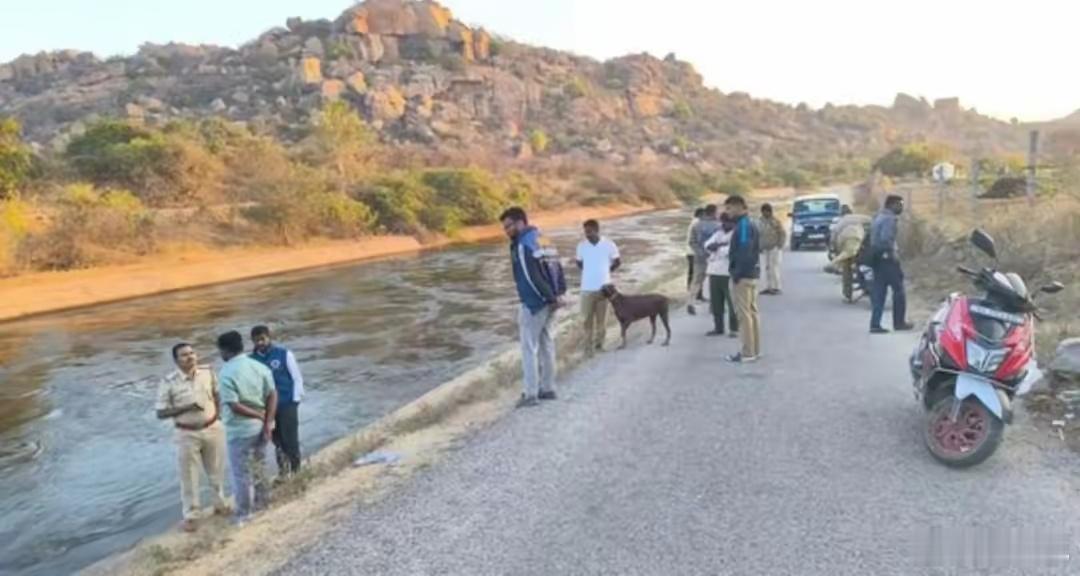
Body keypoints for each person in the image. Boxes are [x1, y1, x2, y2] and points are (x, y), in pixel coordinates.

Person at [155, 343, 230, 532]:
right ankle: (192, 516)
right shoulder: (168, 381)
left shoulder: (207, 372)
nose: (190, 357)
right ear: (176, 360)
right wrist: (186, 408)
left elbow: (217, 394)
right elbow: (161, 413)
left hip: (212, 427)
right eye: (184, 355)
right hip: (186, 433)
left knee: (217, 469)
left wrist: (218, 416)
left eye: (192, 353)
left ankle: (220, 504)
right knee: (189, 475)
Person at [500, 207, 561, 408]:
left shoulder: (522, 245)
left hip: (534, 304)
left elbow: (530, 277)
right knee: (546, 344)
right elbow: (556, 268)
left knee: (529, 349)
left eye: (508, 226)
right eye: (504, 228)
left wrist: (547, 298)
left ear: (520, 223)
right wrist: (557, 296)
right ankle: (548, 388)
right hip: (551, 301)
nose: (506, 231)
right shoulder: (544, 238)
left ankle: (530, 394)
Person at [216, 330, 277, 523]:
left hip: (240, 429)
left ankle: (244, 513)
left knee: (240, 472)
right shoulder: (258, 366)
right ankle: (264, 502)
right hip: (261, 426)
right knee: (259, 465)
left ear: (225, 351)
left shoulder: (226, 372)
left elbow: (234, 405)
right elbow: (272, 394)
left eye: (220, 351)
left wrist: (257, 414)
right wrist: (267, 421)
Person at [250, 326, 304, 476]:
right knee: (277, 441)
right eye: (256, 340)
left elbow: (296, 377)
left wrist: (296, 399)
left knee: (290, 439)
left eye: (262, 339)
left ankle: (296, 471)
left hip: (286, 403)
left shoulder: (284, 354)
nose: (260, 342)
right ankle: (283, 472)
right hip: (266, 409)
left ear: (269, 337)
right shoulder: (251, 361)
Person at [869, 195, 915, 334]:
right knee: (899, 291)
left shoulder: (878, 217)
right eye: (899, 204)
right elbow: (886, 239)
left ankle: (875, 324)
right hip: (888, 260)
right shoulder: (890, 219)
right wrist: (892, 254)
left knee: (879, 293)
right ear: (892, 204)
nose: (901, 207)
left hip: (877, 259)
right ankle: (899, 322)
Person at [576, 219, 621, 355]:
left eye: (589, 232)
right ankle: (587, 349)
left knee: (602, 321)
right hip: (586, 290)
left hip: (604, 289)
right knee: (586, 321)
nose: (587, 234)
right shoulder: (581, 246)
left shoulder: (609, 244)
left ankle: (599, 346)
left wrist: (607, 272)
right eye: (585, 232)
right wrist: (590, 271)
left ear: (597, 230)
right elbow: (579, 263)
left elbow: (618, 261)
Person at [725, 195, 762, 363]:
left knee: (744, 315)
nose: (728, 212)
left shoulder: (744, 225)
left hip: (744, 276)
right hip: (751, 274)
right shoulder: (749, 223)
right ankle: (755, 350)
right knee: (752, 313)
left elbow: (745, 251)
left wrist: (737, 273)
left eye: (729, 208)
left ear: (739, 207)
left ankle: (747, 352)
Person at [704, 213, 738, 338]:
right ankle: (718, 328)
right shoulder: (718, 233)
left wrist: (717, 247)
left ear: (733, 223)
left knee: (732, 303)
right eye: (723, 222)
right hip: (714, 272)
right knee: (716, 302)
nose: (724, 224)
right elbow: (707, 245)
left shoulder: (736, 234)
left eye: (727, 222)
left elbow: (731, 251)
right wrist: (719, 246)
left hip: (728, 273)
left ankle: (734, 329)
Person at [830, 205, 872, 302]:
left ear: (841, 214)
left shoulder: (840, 222)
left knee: (847, 270)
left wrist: (836, 253)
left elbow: (833, 239)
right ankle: (867, 286)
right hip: (864, 246)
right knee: (867, 265)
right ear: (851, 212)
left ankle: (848, 294)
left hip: (847, 247)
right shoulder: (862, 217)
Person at [687, 204, 720, 315]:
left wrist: (700, 252)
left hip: (699, 257)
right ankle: (713, 305)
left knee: (696, 280)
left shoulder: (696, 225)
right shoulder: (718, 225)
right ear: (713, 212)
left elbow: (691, 241)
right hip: (714, 257)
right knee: (713, 281)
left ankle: (690, 302)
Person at [758, 203, 787, 295]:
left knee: (773, 268)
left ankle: (776, 287)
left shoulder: (775, 221)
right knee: (765, 268)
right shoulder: (759, 221)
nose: (765, 214)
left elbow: (782, 233)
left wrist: (780, 245)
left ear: (770, 212)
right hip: (763, 248)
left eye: (766, 212)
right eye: (763, 212)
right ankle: (767, 287)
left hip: (774, 247)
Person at [685, 208, 706, 302]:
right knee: (697, 274)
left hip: (690, 252)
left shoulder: (694, 222)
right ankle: (697, 295)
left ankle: (692, 293)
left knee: (692, 273)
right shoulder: (697, 223)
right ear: (701, 214)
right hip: (694, 252)